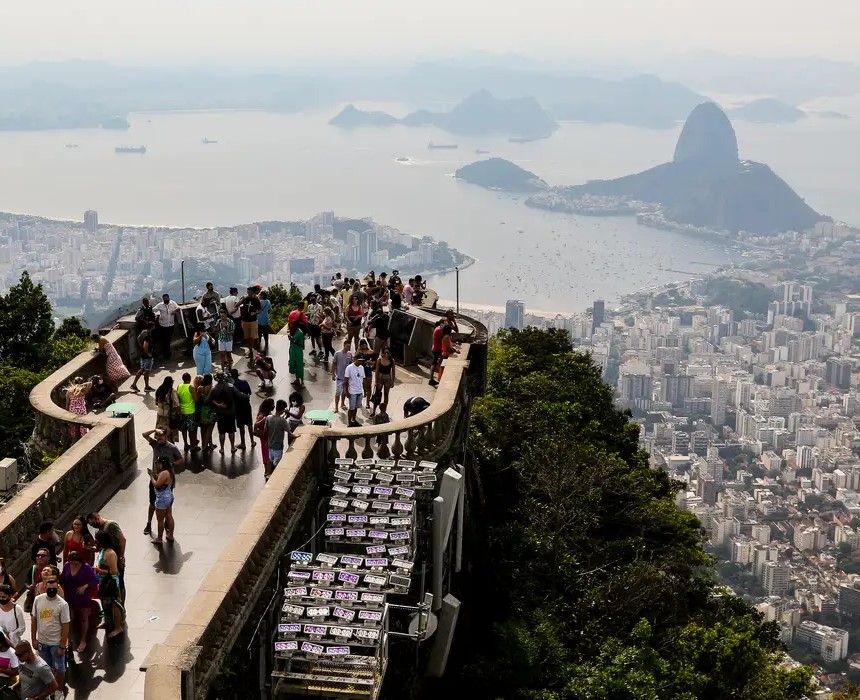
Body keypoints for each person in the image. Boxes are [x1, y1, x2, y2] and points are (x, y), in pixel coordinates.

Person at [30, 574, 70, 691]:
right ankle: (48, 690)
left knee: (59, 669)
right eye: (49, 588)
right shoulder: (38, 600)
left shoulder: (62, 604)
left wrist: (62, 646)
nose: (51, 590)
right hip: (42, 642)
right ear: (45, 587)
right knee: (45, 669)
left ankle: (59, 691)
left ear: (58, 588)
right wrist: (33, 638)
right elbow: (34, 620)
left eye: (54, 588)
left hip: (56, 643)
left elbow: (66, 626)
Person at [142, 428, 184, 536]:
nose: (159, 438)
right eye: (157, 436)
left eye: (161, 436)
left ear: (166, 436)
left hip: (166, 479)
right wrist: (154, 430)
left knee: (167, 506)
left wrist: (172, 464)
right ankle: (149, 523)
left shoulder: (172, 448)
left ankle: (166, 524)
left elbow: (181, 459)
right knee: (152, 503)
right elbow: (144, 434)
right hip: (156, 477)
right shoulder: (155, 444)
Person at [58, 551, 98, 653]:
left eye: (75, 563)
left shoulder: (86, 567)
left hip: (83, 598)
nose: (72, 565)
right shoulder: (67, 566)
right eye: (71, 562)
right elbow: (62, 580)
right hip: (69, 597)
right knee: (69, 619)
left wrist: (85, 586)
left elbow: (94, 580)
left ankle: (83, 640)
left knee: (83, 619)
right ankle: (69, 639)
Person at [85, 514, 126, 603]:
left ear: (97, 518)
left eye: (93, 524)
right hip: (105, 560)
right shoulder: (101, 529)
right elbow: (99, 547)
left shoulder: (111, 525)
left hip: (115, 558)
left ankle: (120, 604)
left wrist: (121, 557)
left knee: (119, 583)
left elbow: (122, 539)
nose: (93, 526)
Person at [93, 531, 124, 639]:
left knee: (115, 605)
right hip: (102, 582)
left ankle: (118, 626)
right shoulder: (102, 551)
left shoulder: (110, 553)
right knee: (105, 603)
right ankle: (107, 621)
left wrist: (99, 570)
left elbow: (114, 572)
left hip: (111, 583)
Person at [210, 372, 240, 454]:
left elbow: (211, 400)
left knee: (221, 432)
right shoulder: (230, 386)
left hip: (220, 413)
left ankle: (222, 448)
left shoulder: (214, 389)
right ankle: (232, 447)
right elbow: (238, 394)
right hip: (230, 412)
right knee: (231, 431)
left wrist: (218, 405)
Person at [149, 456, 176, 544]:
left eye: (158, 463)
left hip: (162, 499)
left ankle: (159, 538)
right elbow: (161, 480)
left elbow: (156, 485)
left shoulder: (164, 473)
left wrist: (151, 477)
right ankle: (170, 535)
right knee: (169, 516)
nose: (157, 465)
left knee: (160, 520)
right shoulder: (169, 472)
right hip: (169, 497)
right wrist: (155, 475)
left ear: (162, 464)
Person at [229, 368, 254, 450]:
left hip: (238, 407)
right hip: (247, 405)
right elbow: (249, 393)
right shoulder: (244, 382)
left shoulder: (232, 386)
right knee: (250, 424)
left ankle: (243, 443)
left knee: (241, 426)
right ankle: (252, 441)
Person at [264, 400, 290, 478]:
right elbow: (289, 431)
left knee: (270, 460)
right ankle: (275, 477)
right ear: (283, 410)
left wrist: (267, 441)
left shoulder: (268, 418)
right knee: (277, 463)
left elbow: (266, 430)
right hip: (278, 446)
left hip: (270, 444)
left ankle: (268, 474)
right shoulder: (282, 420)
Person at [152, 293, 180, 361]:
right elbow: (153, 310)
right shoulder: (160, 305)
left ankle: (166, 353)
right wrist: (156, 315)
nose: (166, 299)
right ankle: (167, 354)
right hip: (163, 325)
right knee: (165, 340)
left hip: (171, 325)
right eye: (164, 299)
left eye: (167, 298)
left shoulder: (172, 303)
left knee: (168, 339)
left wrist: (175, 311)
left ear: (169, 298)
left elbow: (178, 308)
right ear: (163, 299)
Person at [176, 372, 199, 452]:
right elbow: (196, 399)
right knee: (192, 430)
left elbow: (178, 398)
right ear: (189, 379)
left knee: (184, 429)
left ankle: (186, 444)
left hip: (182, 411)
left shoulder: (179, 386)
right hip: (190, 411)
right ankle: (193, 446)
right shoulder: (191, 387)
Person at [155, 376, 181, 443]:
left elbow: (156, 403)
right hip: (169, 416)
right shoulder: (172, 391)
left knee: (161, 431)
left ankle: (161, 443)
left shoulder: (159, 390)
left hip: (160, 416)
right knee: (169, 433)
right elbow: (177, 404)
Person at [239, 286, 262, 358]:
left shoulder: (256, 299)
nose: (249, 293)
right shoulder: (245, 299)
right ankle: (250, 351)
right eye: (248, 292)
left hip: (253, 321)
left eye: (250, 292)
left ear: (253, 292)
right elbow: (237, 305)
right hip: (245, 321)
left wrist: (255, 313)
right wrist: (243, 299)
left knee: (253, 337)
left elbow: (260, 309)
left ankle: (257, 352)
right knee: (247, 337)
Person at [130, 323, 154, 392]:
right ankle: (135, 385)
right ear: (152, 327)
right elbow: (145, 346)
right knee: (145, 371)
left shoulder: (143, 332)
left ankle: (146, 386)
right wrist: (148, 353)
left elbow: (138, 338)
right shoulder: (148, 336)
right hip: (147, 356)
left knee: (144, 370)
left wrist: (141, 348)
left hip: (142, 355)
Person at [196, 374, 217, 452]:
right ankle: (205, 446)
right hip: (210, 410)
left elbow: (198, 399)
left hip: (202, 410)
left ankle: (207, 444)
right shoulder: (212, 388)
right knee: (209, 429)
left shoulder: (199, 388)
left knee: (203, 428)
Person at [254, 398, 275, 474]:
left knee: (270, 454)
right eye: (272, 404)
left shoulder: (269, 413)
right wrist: (265, 419)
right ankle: (266, 471)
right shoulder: (262, 415)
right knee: (266, 454)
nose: (273, 406)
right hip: (264, 438)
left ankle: (269, 469)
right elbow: (255, 425)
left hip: (270, 437)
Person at [344, 355, 366, 427]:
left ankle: (354, 419)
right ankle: (349, 422)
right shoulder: (349, 368)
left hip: (359, 391)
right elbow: (346, 380)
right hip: (352, 391)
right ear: (355, 359)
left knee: (356, 407)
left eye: (361, 360)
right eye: (359, 360)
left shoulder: (362, 367)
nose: (360, 362)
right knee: (351, 408)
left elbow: (363, 379)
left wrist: (364, 390)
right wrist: (346, 391)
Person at [332, 340, 353, 412]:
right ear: (344, 345)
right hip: (339, 377)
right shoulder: (337, 354)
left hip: (347, 378)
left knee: (344, 392)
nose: (348, 348)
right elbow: (334, 364)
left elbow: (351, 364)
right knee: (338, 392)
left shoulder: (350, 354)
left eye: (349, 346)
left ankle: (342, 403)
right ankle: (336, 407)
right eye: (347, 346)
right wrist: (333, 374)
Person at [374, 347, 396, 413]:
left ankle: (384, 410)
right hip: (380, 377)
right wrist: (376, 381)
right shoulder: (379, 360)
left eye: (388, 353)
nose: (386, 354)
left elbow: (393, 372)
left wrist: (392, 381)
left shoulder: (392, 361)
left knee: (386, 394)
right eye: (385, 352)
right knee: (377, 394)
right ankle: (374, 410)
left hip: (387, 377)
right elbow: (377, 371)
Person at [355, 339, 375, 410]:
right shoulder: (359, 351)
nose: (363, 345)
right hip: (360, 370)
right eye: (362, 344)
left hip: (367, 369)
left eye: (364, 344)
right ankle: (363, 395)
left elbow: (374, 361)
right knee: (361, 385)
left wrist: (371, 362)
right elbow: (355, 359)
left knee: (368, 386)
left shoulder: (370, 352)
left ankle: (367, 403)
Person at [216, 308, 235, 372]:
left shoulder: (231, 322)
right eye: (221, 316)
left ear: (226, 315)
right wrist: (218, 329)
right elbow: (216, 330)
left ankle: (230, 367)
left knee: (228, 354)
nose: (222, 317)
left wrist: (227, 332)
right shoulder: (218, 321)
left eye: (223, 316)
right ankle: (222, 368)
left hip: (228, 340)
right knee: (222, 354)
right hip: (221, 340)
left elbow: (233, 332)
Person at [289, 322, 305, 388]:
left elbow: (301, 344)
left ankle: (302, 381)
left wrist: (293, 340)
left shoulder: (300, 333)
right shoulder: (295, 331)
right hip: (293, 350)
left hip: (297, 351)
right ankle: (297, 379)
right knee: (294, 364)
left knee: (299, 365)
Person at [429, 320, 445, 387]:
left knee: (435, 363)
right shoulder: (439, 330)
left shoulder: (438, 328)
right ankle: (431, 379)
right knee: (434, 363)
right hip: (437, 349)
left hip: (435, 348)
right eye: (445, 323)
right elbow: (443, 338)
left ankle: (432, 379)